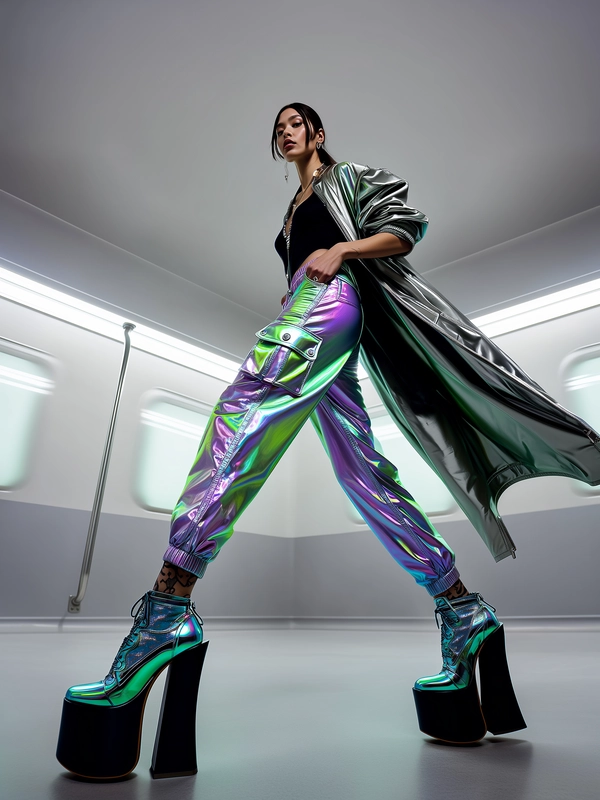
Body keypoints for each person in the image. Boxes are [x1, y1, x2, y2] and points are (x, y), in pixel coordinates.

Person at [57, 103, 600, 778]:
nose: (283, 132)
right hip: (306, 310)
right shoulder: (288, 212)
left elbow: (407, 228)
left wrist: (342, 247)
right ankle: (462, 608)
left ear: (317, 133)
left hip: (333, 304)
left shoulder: (347, 179)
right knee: (362, 475)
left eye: (294, 122)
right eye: (276, 127)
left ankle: (167, 606)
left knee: (243, 409)